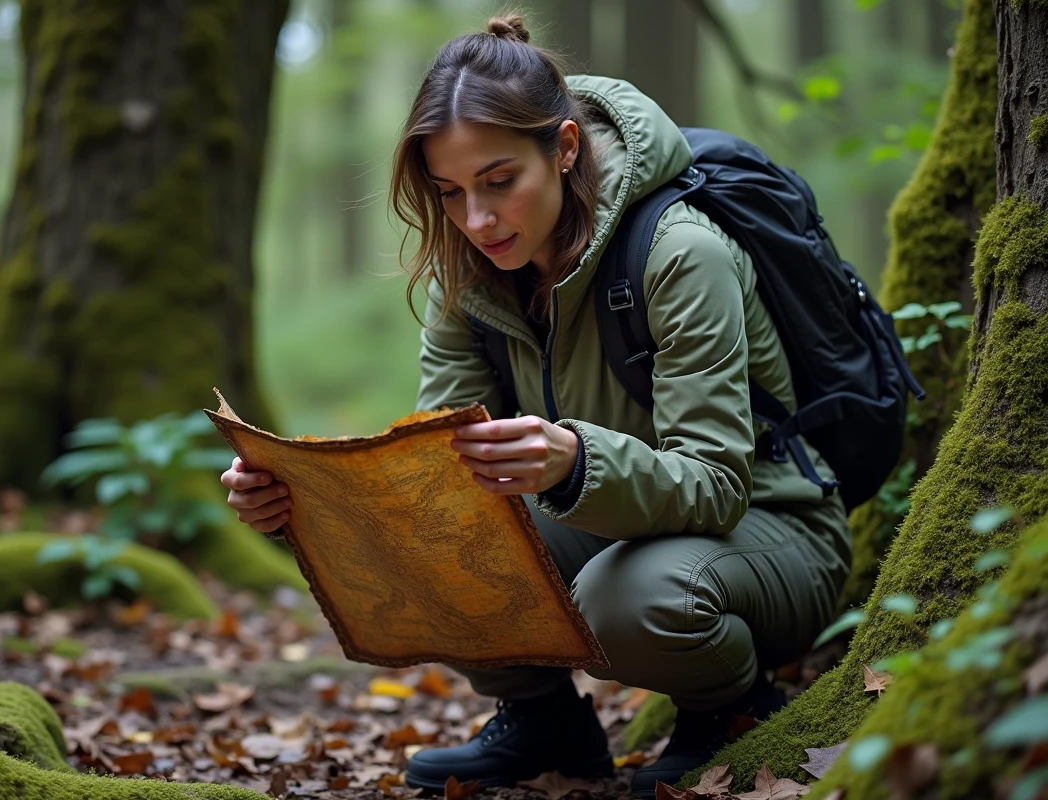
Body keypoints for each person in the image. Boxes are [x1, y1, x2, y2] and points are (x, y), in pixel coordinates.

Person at [222, 13, 852, 798]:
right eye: (449, 193)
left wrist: (574, 462)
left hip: (770, 531)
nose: (476, 220)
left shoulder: (679, 254)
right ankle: (544, 720)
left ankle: (731, 711)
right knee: (435, 545)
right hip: (620, 527)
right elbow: (440, 488)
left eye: (498, 182)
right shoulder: (467, 279)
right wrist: (297, 506)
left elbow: (718, 486)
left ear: (565, 148)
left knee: (628, 599)